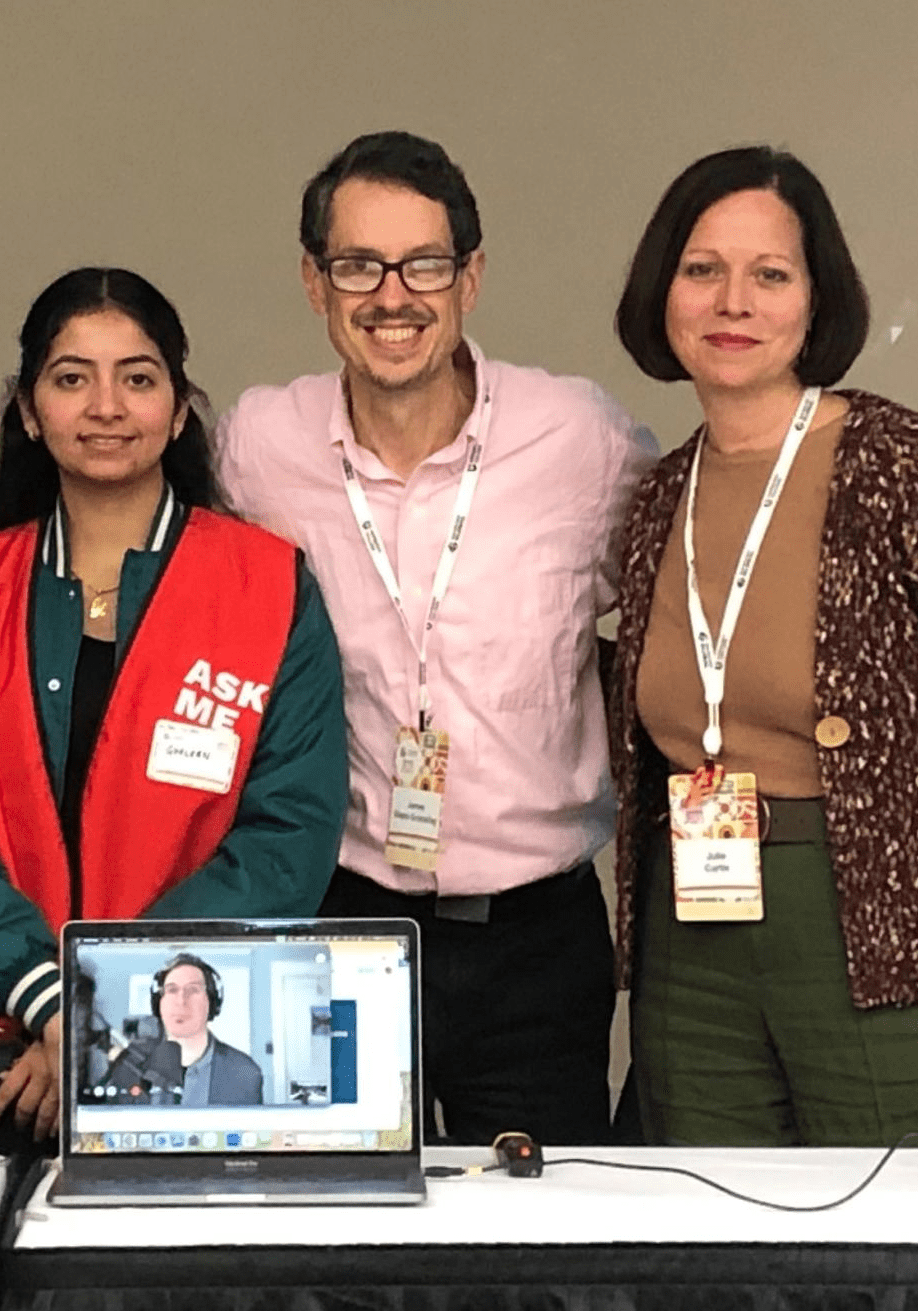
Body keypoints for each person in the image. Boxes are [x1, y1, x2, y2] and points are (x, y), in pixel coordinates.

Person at [607, 146, 918, 1147]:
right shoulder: (657, 494)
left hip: (884, 937)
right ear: (664, 290)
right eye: (702, 270)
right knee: (715, 1260)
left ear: (814, 300)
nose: (731, 300)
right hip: (690, 952)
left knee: (904, 1255)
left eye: (769, 274)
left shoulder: (904, 467)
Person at [215, 131, 657, 1146]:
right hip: (341, 921)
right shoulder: (256, 448)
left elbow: (694, 587)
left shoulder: (580, 439)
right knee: (343, 1242)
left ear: (470, 279)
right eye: (356, 266)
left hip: (535, 939)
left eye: (423, 264)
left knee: (538, 1246)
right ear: (314, 285)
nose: (391, 296)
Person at [0, 268, 346, 1139]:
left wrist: (106, 1008)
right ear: (26, 408)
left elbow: (288, 838)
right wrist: (45, 996)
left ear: (180, 404)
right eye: (71, 376)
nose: (106, 406)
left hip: (191, 1064)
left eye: (137, 376)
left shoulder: (266, 584)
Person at [104, 954, 265, 1106]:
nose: (181, 1001)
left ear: (212, 1003)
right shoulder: (130, 1066)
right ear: (158, 1004)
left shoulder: (245, 1072)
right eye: (172, 990)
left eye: (193, 990)